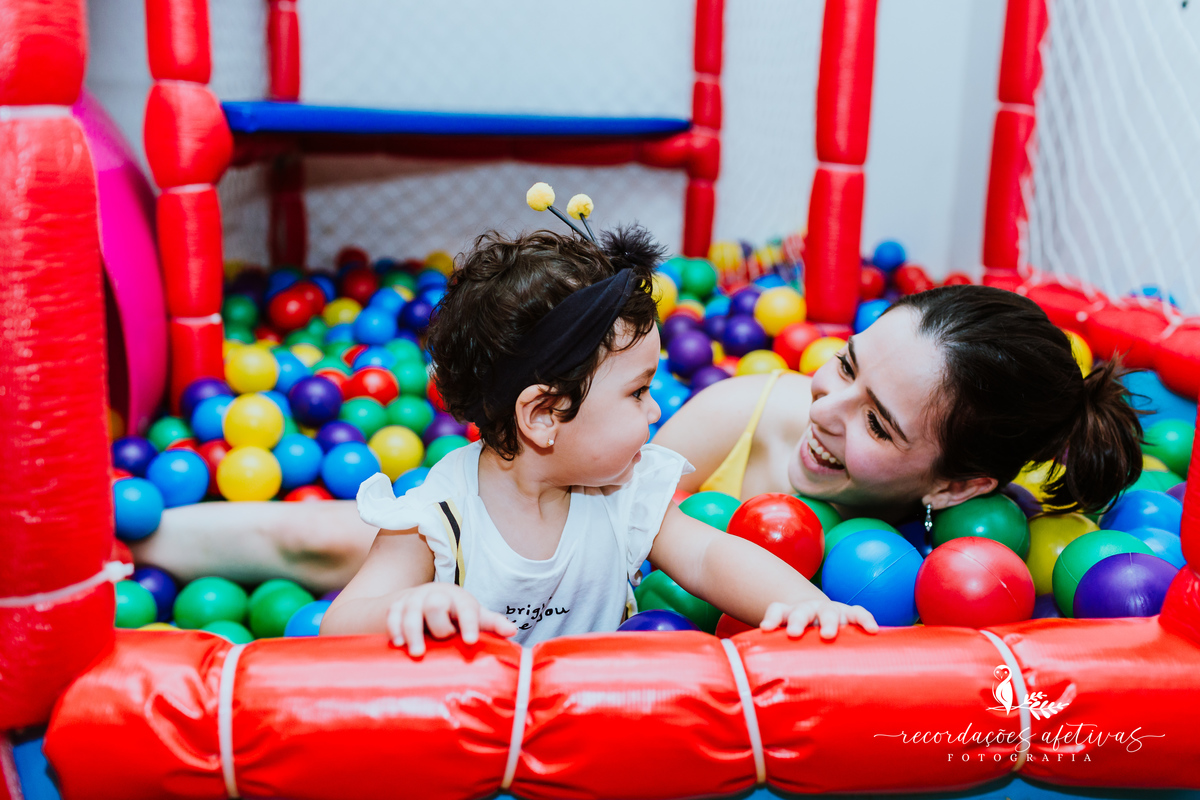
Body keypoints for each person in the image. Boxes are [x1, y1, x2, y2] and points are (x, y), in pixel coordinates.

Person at [318, 225, 878, 653]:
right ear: (543, 415)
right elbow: (339, 625)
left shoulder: (621, 493)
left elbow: (711, 556)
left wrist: (804, 604)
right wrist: (411, 606)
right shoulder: (438, 520)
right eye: (638, 392)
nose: (655, 409)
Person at [654, 285, 1144, 525]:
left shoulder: (981, 546)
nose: (821, 411)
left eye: (876, 423)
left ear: (955, 487)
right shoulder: (735, 413)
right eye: (847, 365)